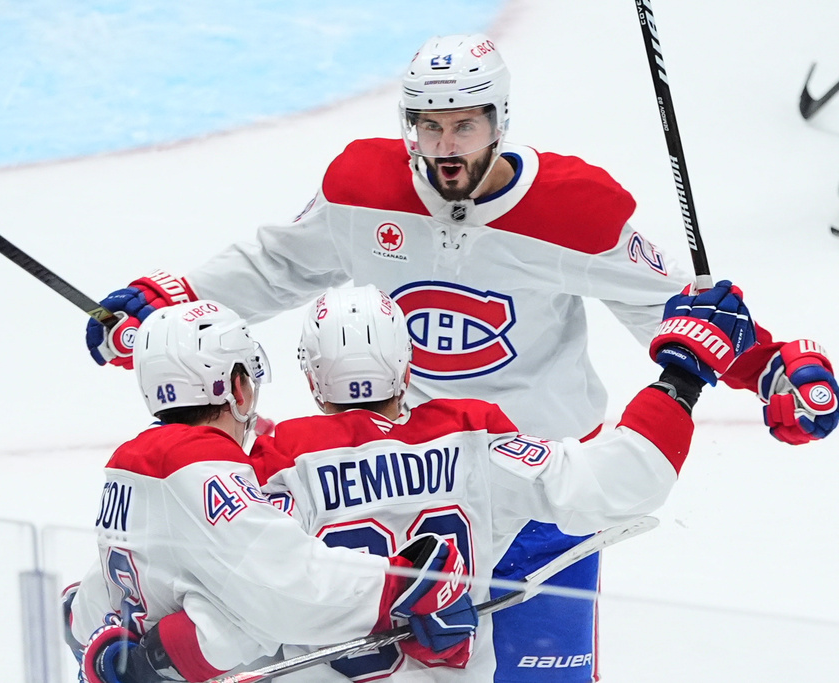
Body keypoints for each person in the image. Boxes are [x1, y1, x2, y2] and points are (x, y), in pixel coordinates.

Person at [83, 33, 839, 683]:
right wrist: (172, 307)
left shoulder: (572, 208)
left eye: (465, 126)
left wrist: (772, 370)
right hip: (410, 478)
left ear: (499, 120)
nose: (446, 147)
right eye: (430, 126)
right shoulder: (363, 188)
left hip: (544, 490)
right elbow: (276, 264)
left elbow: (676, 308)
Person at [247, 282, 753, 682]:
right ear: (406, 367)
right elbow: (623, 479)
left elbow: (247, 598)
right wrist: (682, 378)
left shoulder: (281, 461)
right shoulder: (471, 438)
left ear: (312, 379)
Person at [66, 300, 478, 683]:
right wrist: (404, 585)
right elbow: (281, 589)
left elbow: (92, 607)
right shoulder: (198, 465)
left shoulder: (132, 467)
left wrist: (110, 651)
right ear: (237, 388)